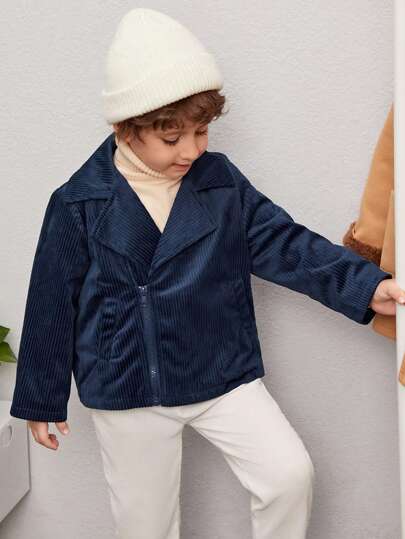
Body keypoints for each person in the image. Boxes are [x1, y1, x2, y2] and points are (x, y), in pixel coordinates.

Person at [9, 8, 405, 539]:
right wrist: (41, 397)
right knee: (146, 527)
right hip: (128, 382)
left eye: (201, 132)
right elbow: (51, 299)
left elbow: (283, 242)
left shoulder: (219, 182)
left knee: (288, 476)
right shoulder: (78, 201)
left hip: (219, 368)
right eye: (173, 139)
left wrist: (366, 286)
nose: (192, 150)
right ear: (126, 129)